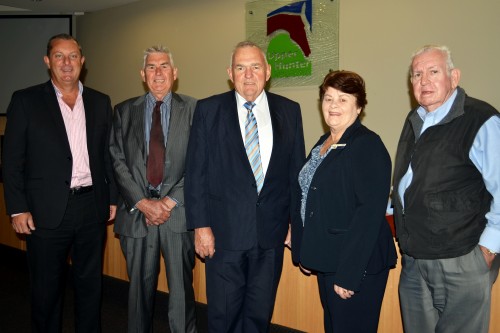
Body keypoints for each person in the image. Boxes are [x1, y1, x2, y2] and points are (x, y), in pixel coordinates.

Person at [185, 41, 305, 333]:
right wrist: (201, 227)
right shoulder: (208, 110)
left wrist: (294, 222)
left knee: (258, 317)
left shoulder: (290, 111)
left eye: (255, 67)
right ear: (230, 72)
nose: (248, 74)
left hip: (270, 236)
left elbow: (295, 175)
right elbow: (195, 173)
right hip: (223, 237)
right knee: (223, 318)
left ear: (267, 71)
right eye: (241, 67)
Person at [2, 33, 117, 332]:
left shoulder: (100, 102)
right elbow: (12, 161)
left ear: (82, 60)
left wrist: (112, 198)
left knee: (90, 286)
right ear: (47, 61)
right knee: (46, 291)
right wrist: (17, 209)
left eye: (73, 56)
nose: (67, 63)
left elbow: (107, 156)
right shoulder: (25, 101)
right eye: (59, 56)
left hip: (92, 207)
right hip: (45, 212)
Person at [393, 45, 500, 333]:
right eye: (416, 74)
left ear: (454, 77)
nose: (424, 80)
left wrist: (488, 248)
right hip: (415, 261)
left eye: (433, 71)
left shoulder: (481, 118)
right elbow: (412, 183)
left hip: (462, 259)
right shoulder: (414, 120)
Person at [290, 70, 397, 333]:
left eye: (343, 99)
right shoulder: (322, 143)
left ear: (358, 107)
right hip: (328, 259)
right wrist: (304, 248)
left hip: (355, 266)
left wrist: (349, 274)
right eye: (328, 98)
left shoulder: (367, 145)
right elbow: (310, 197)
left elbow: (369, 214)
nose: (333, 105)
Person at [109, 45, 197, 333]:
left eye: (163, 67)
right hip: (136, 216)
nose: (158, 73)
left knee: (182, 293)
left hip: (179, 215)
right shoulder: (123, 111)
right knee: (138, 294)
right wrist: (144, 203)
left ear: (175, 73)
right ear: (142, 74)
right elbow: (117, 160)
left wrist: (169, 201)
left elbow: (201, 163)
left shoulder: (195, 110)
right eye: (151, 67)